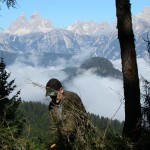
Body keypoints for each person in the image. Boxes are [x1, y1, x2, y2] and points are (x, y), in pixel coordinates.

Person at [46, 78, 96, 150]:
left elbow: (83, 117)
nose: (54, 99)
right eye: (51, 97)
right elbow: (53, 127)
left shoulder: (72, 98)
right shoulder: (51, 106)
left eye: (55, 96)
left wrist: (83, 139)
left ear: (61, 90)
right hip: (63, 141)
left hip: (79, 138)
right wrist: (55, 142)